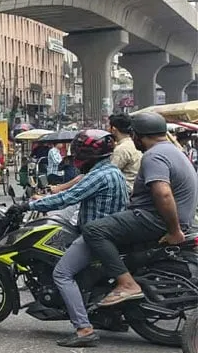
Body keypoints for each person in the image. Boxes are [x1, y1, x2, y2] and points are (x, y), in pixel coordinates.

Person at [16, 129, 128, 347]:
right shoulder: (111, 170)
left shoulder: (99, 175)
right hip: (108, 232)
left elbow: (68, 197)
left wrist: (28, 205)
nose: (76, 158)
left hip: (96, 236)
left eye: (78, 153)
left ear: (88, 155)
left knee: (62, 273)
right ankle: (107, 316)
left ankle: (84, 329)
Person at [82, 111, 198, 306]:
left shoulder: (154, 156)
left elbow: (163, 193)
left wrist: (174, 231)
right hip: (174, 218)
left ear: (137, 136)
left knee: (93, 230)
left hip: (154, 220)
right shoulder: (175, 151)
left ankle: (127, 284)